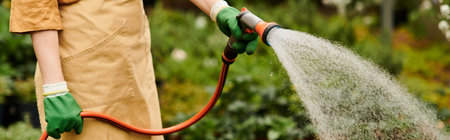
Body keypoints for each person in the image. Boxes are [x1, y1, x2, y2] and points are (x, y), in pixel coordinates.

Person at [9, 0, 257, 139]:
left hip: (132, 61)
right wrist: (54, 87)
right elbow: (35, 5)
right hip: (84, 71)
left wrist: (217, 8)